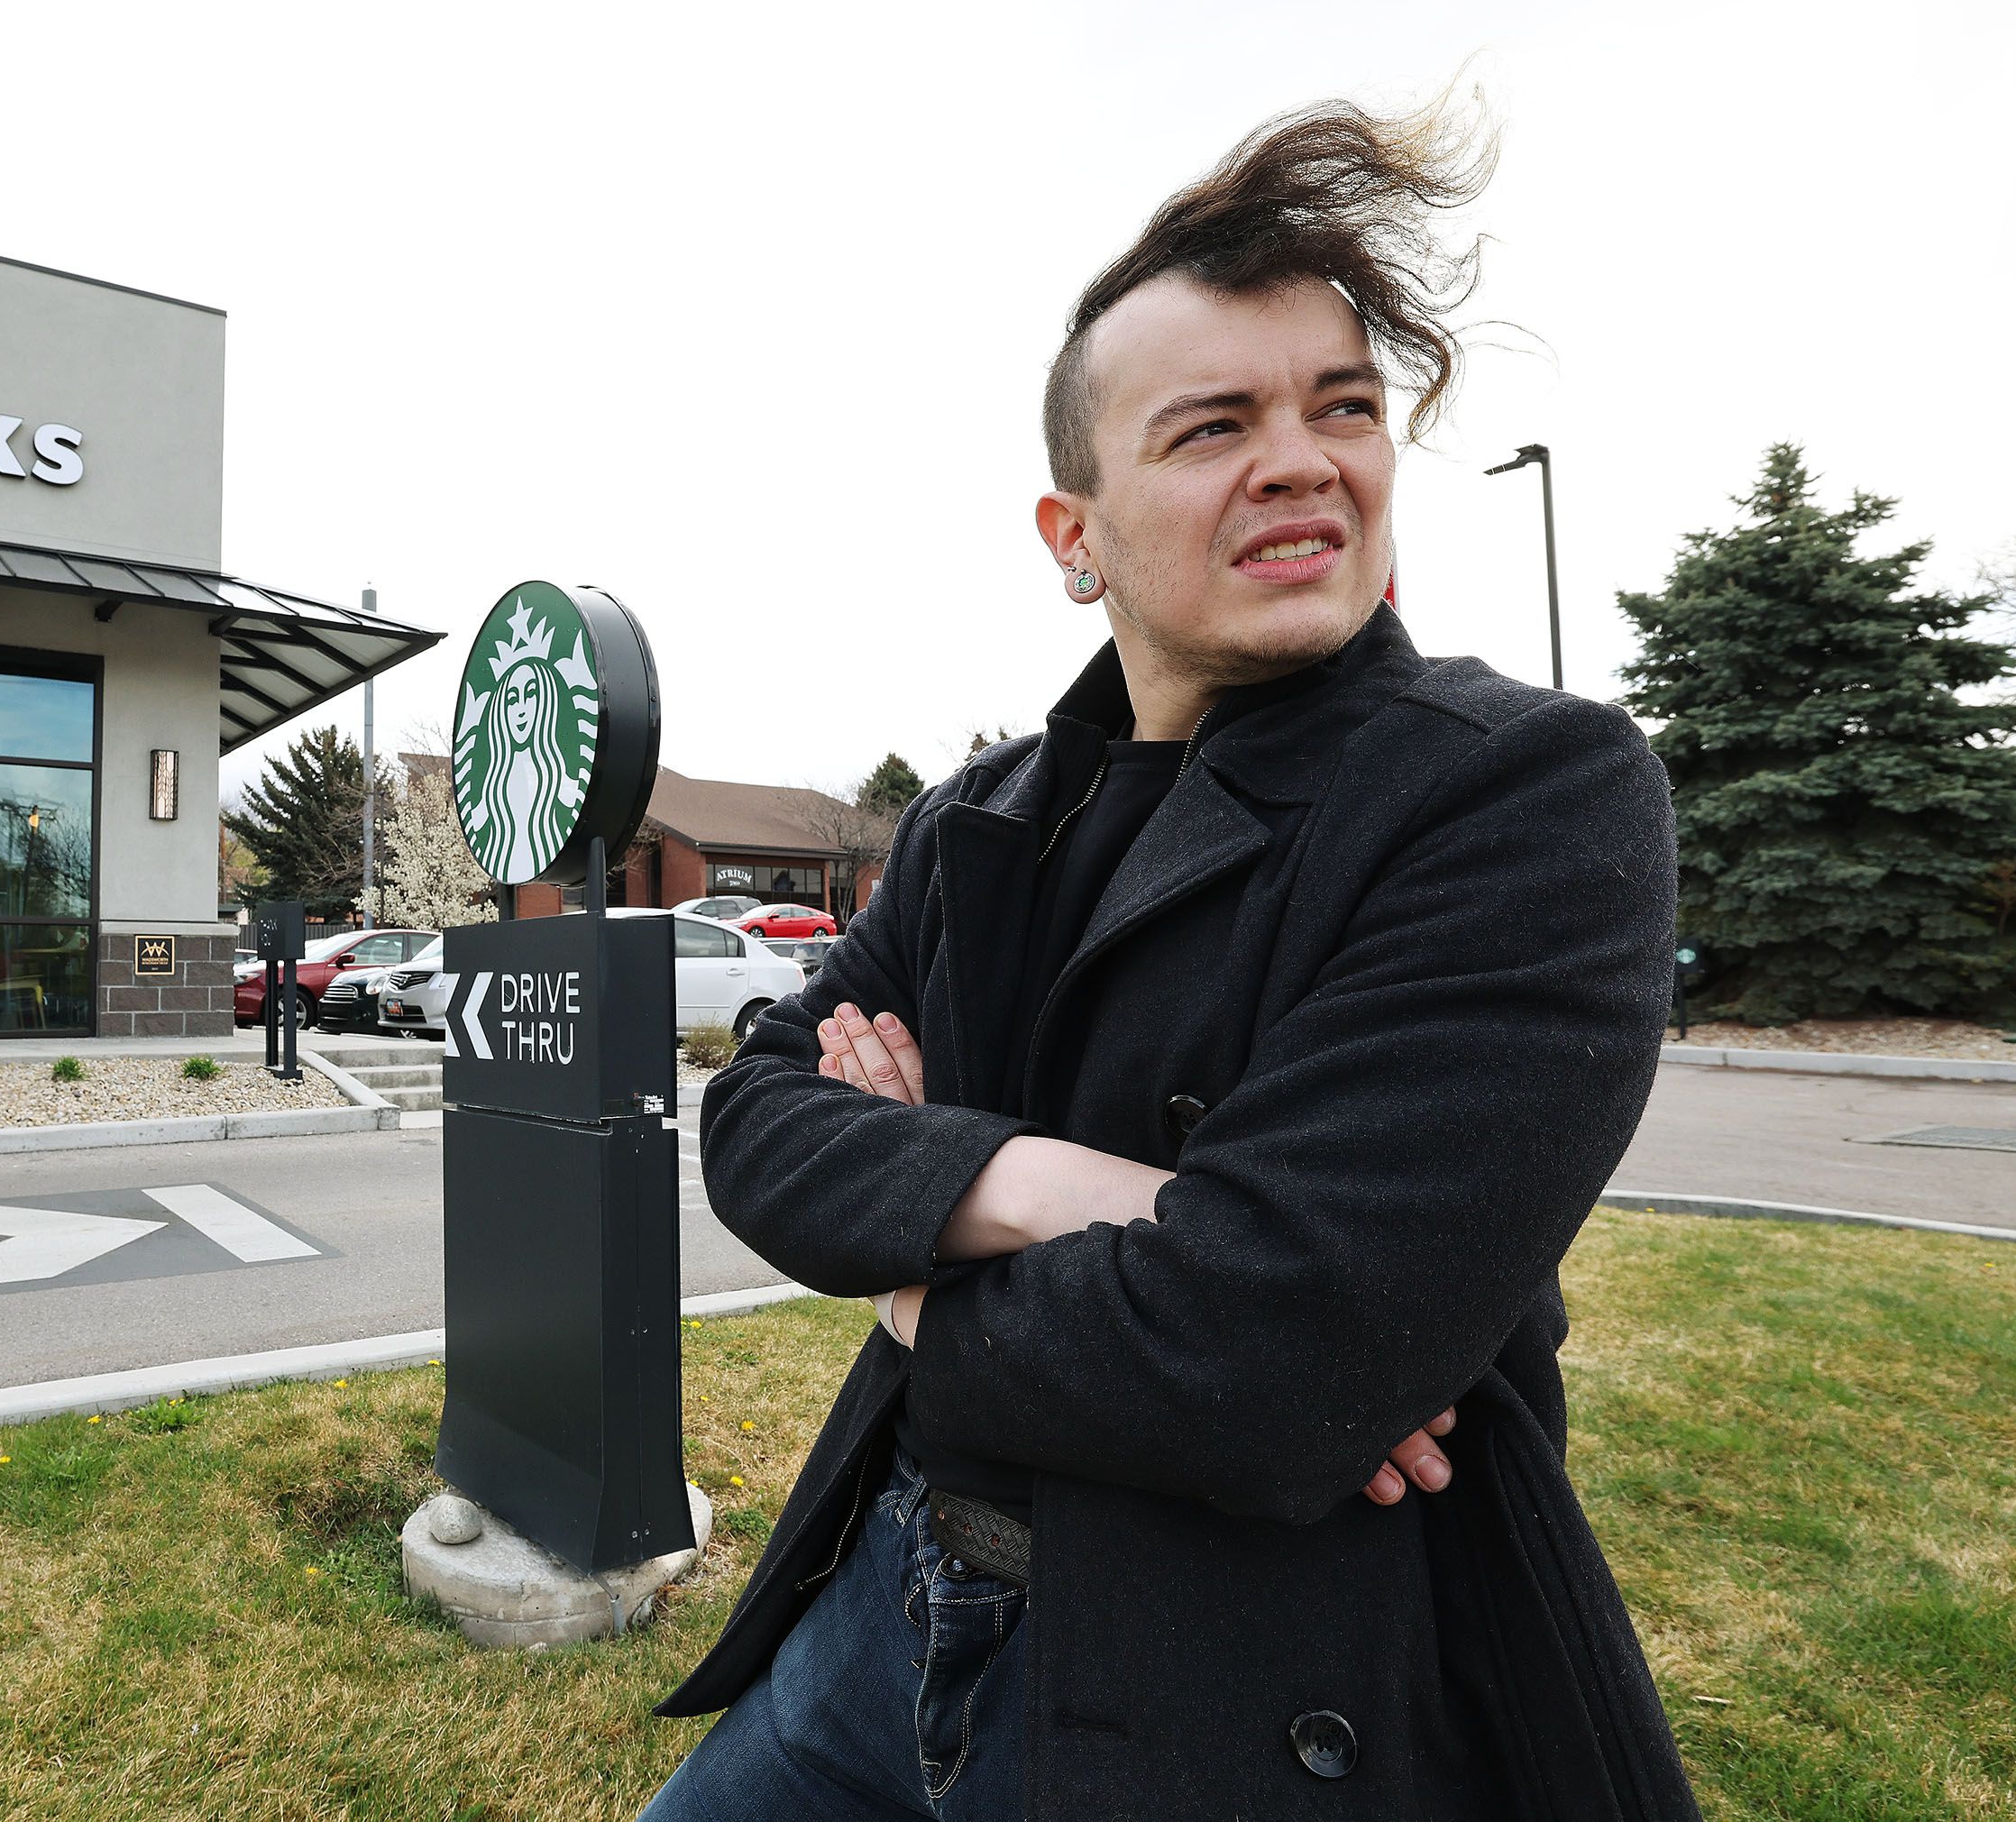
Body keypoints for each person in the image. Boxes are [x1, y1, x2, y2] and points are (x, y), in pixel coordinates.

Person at [642, 95, 1700, 1819]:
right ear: (1076, 538)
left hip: (1246, 1689)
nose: (1303, 458)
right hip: (887, 1603)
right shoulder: (980, 819)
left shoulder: (1527, 794)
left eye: (1341, 407)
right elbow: (759, 1119)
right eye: (1214, 426)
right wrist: (1081, 1188)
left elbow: (1275, 1362)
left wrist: (912, 1266)